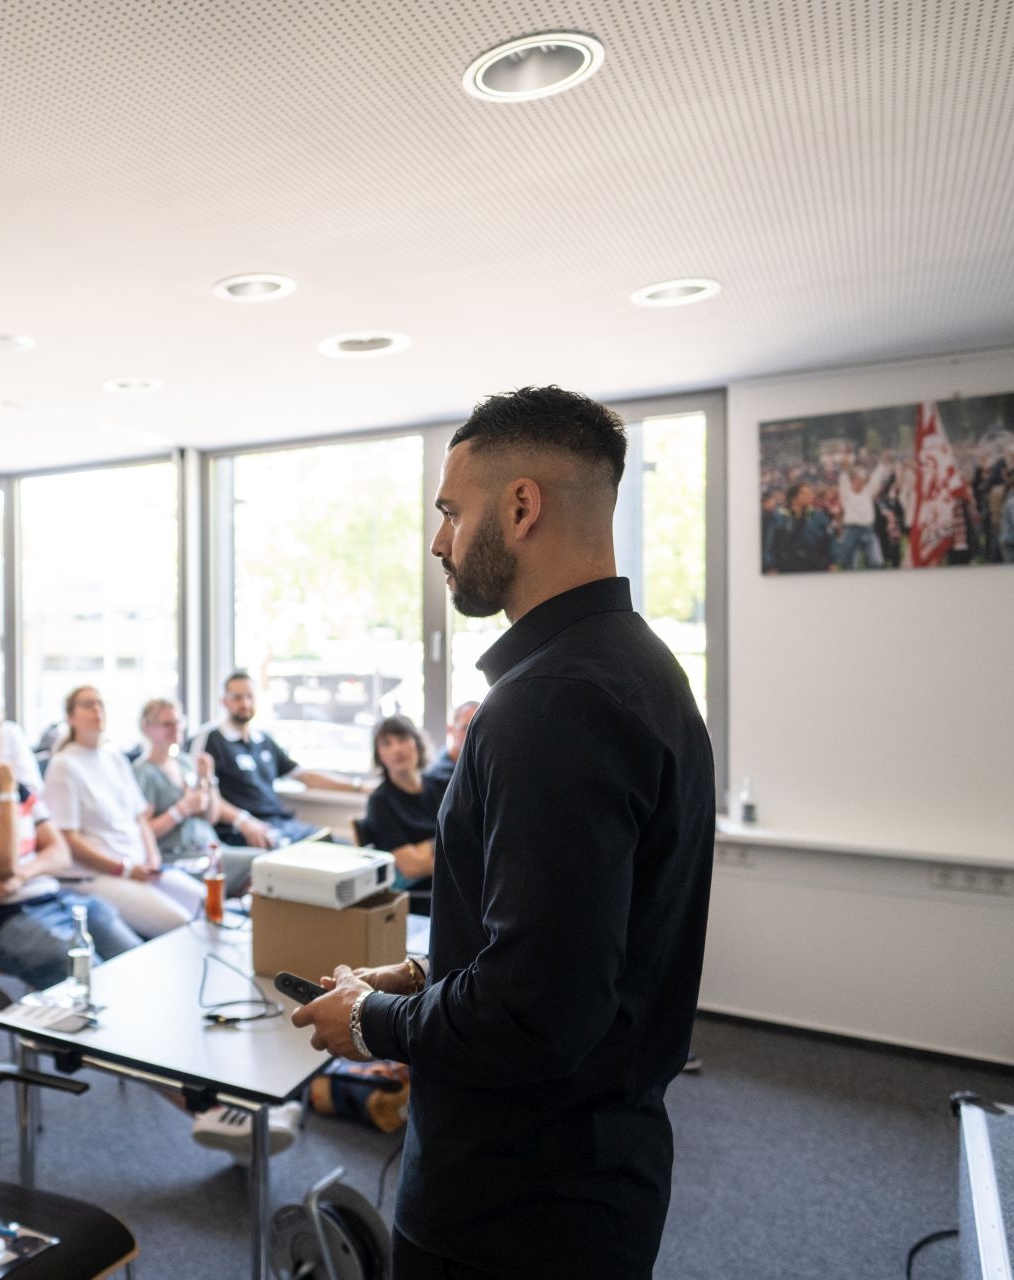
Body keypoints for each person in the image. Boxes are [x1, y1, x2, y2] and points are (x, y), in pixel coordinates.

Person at [294, 385, 715, 1280]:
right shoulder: (636, 666)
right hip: (589, 1174)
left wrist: (370, 1020)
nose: (439, 541)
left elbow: (535, 1011)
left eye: (452, 512)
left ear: (521, 507)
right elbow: (573, 941)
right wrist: (422, 973)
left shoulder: (552, 705)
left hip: (513, 1208)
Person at [0, 695, 137, 990]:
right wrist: (6, 794)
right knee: (91, 978)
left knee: (132, 956)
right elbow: (3, 864)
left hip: (53, 899)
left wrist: (21, 876)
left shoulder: (19, 790)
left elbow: (60, 852)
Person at [41, 687, 201, 939]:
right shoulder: (64, 765)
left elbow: (140, 817)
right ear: (70, 717)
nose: (97, 710)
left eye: (100, 703)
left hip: (141, 867)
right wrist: (123, 869)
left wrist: (152, 857)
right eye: (87, 704)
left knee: (207, 903)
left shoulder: (113, 756)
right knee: (182, 925)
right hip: (100, 876)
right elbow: (68, 840)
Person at [188, 672, 369, 845]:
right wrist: (243, 821)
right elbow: (200, 793)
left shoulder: (263, 740)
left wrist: (358, 787)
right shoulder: (212, 739)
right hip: (244, 830)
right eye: (237, 697)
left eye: (250, 696)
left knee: (342, 845)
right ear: (224, 701)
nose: (245, 703)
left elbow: (305, 776)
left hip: (281, 823)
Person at [133, 696, 271, 892]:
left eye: (178, 722)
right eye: (166, 724)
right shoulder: (144, 773)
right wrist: (181, 810)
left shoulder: (186, 763)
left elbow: (211, 817)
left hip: (211, 847)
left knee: (266, 860)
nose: (175, 728)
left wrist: (208, 780)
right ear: (147, 728)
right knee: (261, 864)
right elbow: (143, 832)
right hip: (179, 856)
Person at [360, 715, 439, 905]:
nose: (397, 749)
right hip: (417, 897)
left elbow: (472, 839)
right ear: (379, 755)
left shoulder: (441, 786)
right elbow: (412, 867)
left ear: (416, 743)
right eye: (387, 743)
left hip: (452, 881)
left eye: (402, 739)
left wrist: (425, 849)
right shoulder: (380, 802)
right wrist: (443, 842)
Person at [421, 701, 478, 793]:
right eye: (466, 728)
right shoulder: (436, 776)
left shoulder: (484, 768)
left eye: (480, 729)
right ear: (451, 729)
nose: (474, 734)